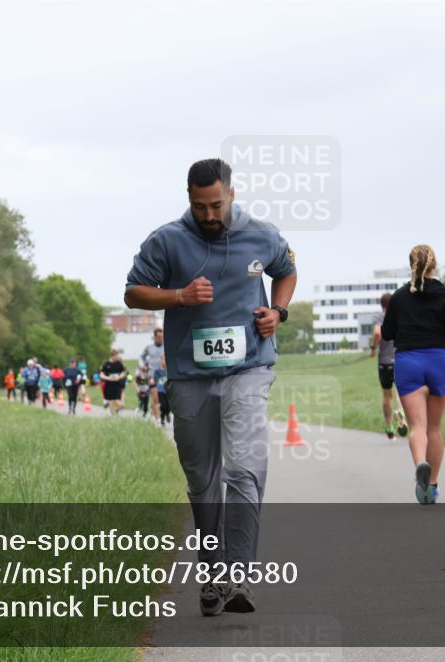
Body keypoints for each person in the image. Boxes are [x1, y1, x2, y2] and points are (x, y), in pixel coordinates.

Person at [124, 158, 297, 616]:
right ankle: (212, 574)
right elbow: (134, 292)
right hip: (189, 375)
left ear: (232, 195)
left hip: (249, 368)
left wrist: (277, 312)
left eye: (216, 205)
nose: (209, 216)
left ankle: (240, 578)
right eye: (200, 207)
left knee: (242, 468)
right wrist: (178, 296)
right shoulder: (167, 240)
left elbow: (286, 270)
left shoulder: (262, 234)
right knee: (203, 480)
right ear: (189, 200)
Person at [382, 245, 445, 505]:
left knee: (417, 426)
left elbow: (387, 333)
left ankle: (421, 463)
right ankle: (431, 487)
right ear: (434, 265)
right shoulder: (443, 293)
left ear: (411, 264)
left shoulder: (398, 297)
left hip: (409, 361)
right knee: (435, 428)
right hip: (439, 361)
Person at [370, 292, 408, 441]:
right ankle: (401, 413)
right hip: (400, 360)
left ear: (382, 305)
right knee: (402, 392)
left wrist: (373, 348)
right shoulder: (400, 316)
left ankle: (389, 428)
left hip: (384, 362)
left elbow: (377, 333)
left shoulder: (380, 317)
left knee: (387, 396)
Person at [142, 328, 167, 423]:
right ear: (155, 337)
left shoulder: (166, 346)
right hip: (152, 375)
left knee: (163, 397)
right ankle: (158, 419)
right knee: (155, 398)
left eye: (162, 337)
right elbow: (141, 357)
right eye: (159, 337)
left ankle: (159, 412)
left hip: (164, 375)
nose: (160, 339)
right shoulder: (149, 347)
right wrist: (144, 365)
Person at [100, 350, 128, 415]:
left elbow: (124, 372)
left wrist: (120, 377)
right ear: (112, 356)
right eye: (116, 356)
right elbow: (101, 375)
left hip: (117, 385)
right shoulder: (106, 364)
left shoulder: (119, 363)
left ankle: (120, 408)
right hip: (109, 385)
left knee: (116, 400)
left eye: (118, 356)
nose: (118, 357)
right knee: (111, 400)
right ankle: (113, 414)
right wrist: (108, 378)